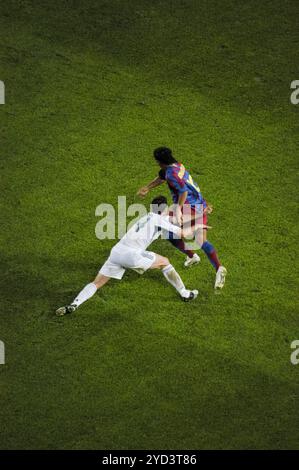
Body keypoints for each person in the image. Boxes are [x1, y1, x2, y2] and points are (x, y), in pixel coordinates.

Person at [56, 196, 211, 316]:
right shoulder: (159, 219)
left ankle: (74, 304)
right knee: (165, 262)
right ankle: (185, 294)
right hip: (131, 255)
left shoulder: (146, 216)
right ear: (164, 209)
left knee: (96, 283)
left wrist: (200, 213)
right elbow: (183, 232)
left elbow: (176, 220)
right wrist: (199, 224)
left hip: (116, 252)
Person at [137, 147, 227, 289]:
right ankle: (218, 268)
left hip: (189, 209)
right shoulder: (177, 166)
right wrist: (148, 187)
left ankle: (191, 256)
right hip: (199, 205)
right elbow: (162, 177)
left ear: (160, 161)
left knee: (165, 228)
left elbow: (183, 191)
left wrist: (178, 209)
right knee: (200, 240)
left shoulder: (171, 174)